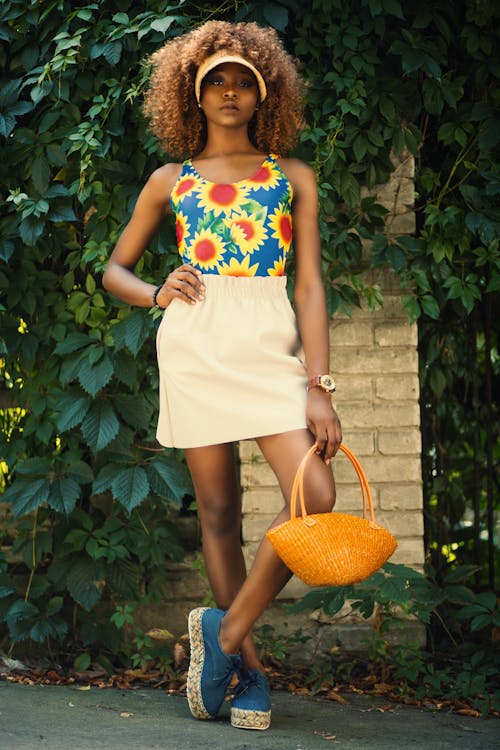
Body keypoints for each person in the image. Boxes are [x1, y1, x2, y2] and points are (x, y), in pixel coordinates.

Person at [102, 19, 342, 731]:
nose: (231, 92)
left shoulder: (292, 176)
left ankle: (225, 633)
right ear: (193, 95)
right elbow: (114, 268)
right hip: (198, 345)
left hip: (270, 352)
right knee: (218, 514)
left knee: (317, 494)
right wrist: (155, 291)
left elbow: (309, 287)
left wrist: (319, 387)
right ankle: (250, 675)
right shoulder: (170, 180)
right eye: (217, 82)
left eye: (244, 80)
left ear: (265, 93)